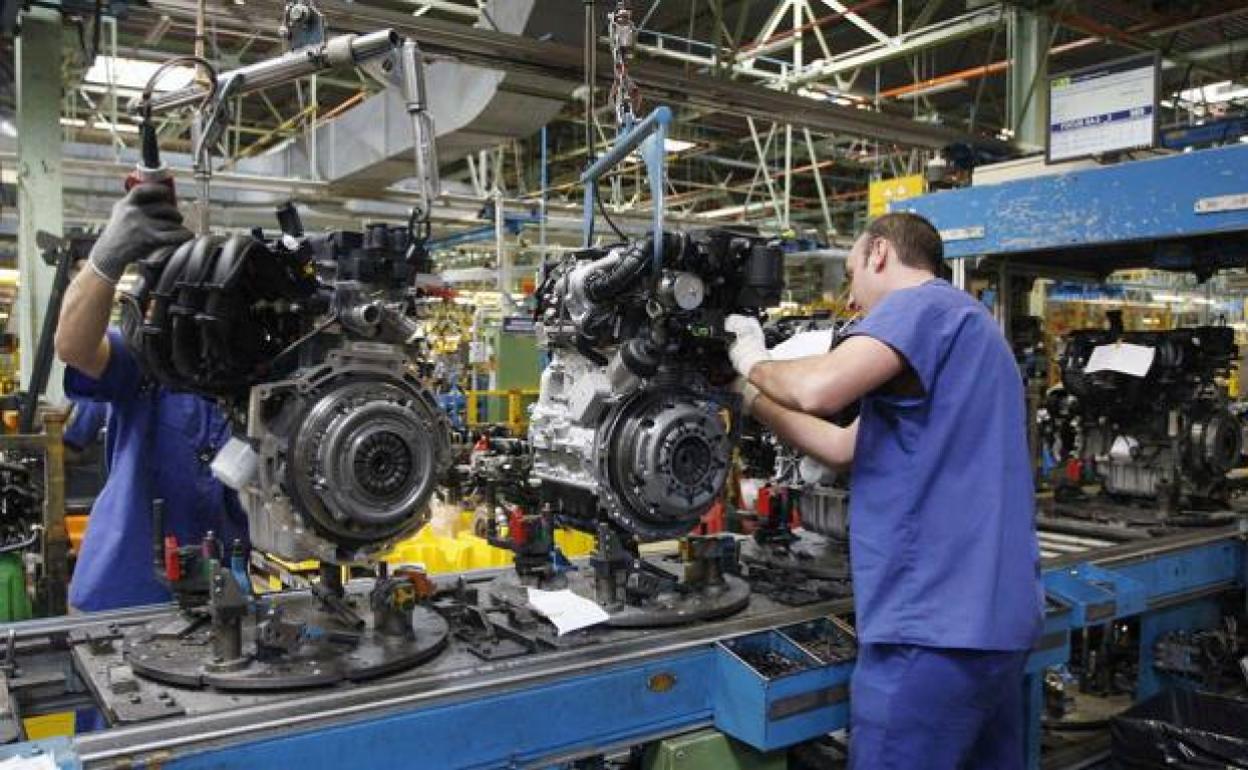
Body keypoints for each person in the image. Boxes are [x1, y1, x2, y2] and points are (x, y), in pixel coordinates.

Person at [726, 212, 1043, 769]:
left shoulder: (921, 306)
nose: (851, 300)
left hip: (932, 629)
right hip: (997, 625)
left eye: (851, 274)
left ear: (878, 253)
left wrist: (752, 359)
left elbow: (820, 388)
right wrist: (751, 400)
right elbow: (845, 447)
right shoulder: (973, 329)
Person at [54, 184, 249, 613]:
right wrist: (108, 257)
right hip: (124, 593)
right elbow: (73, 345)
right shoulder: (144, 359)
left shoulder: (250, 376)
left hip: (224, 594)